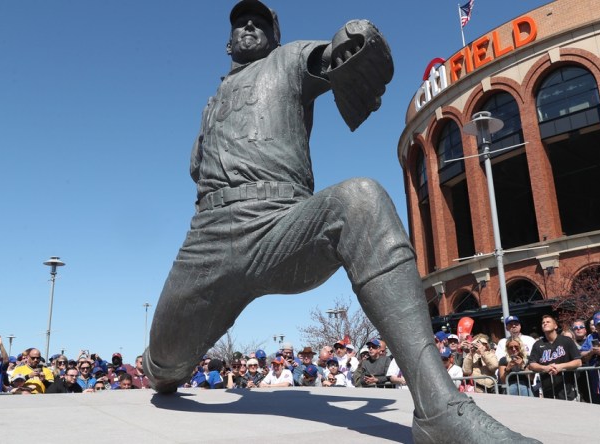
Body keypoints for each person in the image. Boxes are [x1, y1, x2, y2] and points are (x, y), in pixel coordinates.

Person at [141, 2, 537, 442]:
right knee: (161, 368)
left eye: (258, 22)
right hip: (208, 240)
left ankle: (440, 409)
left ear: (274, 34)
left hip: (279, 225)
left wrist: (353, 36)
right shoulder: (210, 106)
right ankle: (177, 348)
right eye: (239, 24)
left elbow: (331, 57)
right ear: (227, 41)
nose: (248, 27)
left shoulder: (288, 59)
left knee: (360, 200)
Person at [528, 315, 582, 400]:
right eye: (543, 323)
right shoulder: (537, 344)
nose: (545, 324)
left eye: (548, 322)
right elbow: (532, 364)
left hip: (567, 390)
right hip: (548, 392)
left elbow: (578, 361)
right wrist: (544, 368)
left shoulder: (566, 341)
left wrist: (561, 366)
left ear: (555, 326)